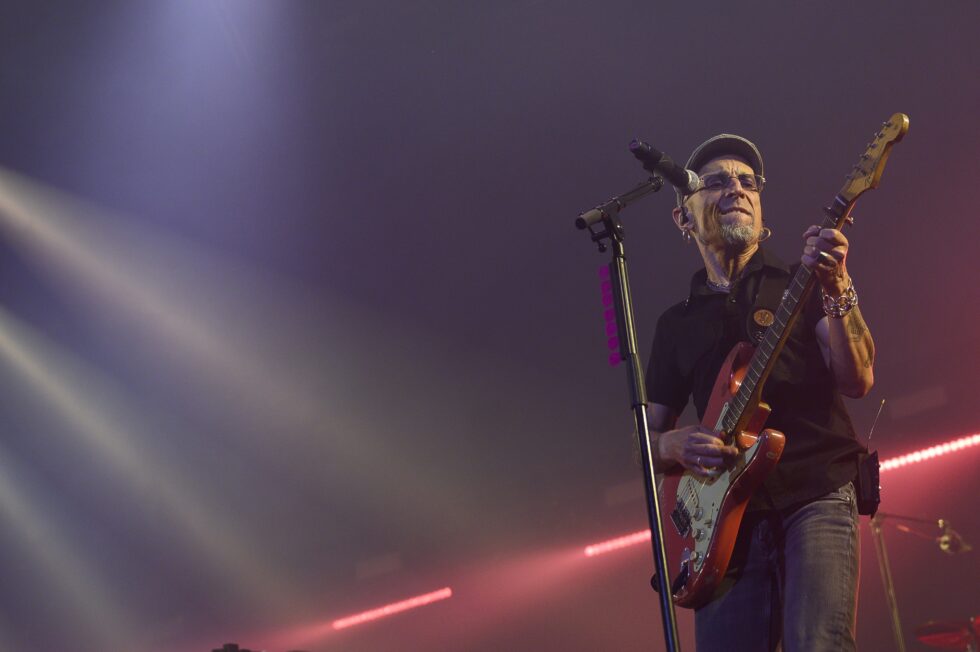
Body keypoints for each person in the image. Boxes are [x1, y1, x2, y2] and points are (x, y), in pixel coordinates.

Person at [644, 134, 875, 651]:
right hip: (723, 528)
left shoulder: (804, 280)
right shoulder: (675, 325)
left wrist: (837, 284)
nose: (737, 189)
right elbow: (647, 437)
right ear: (684, 218)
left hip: (815, 495)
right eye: (719, 182)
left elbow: (858, 379)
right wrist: (674, 445)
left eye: (748, 182)